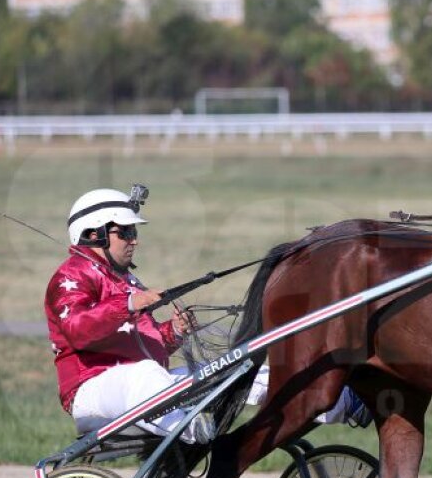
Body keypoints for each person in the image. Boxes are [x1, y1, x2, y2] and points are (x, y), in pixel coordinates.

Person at [45, 187, 367, 446]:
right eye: (125, 231)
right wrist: (129, 304)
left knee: (239, 371)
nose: (134, 239)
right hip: (91, 393)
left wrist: (174, 332)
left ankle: (345, 401)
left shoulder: (124, 280)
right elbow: (77, 329)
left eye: (133, 231)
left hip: (146, 389)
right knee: (145, 375)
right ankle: (196, 428)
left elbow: (147, 346)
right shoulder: (70, 276)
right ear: (94, 234)